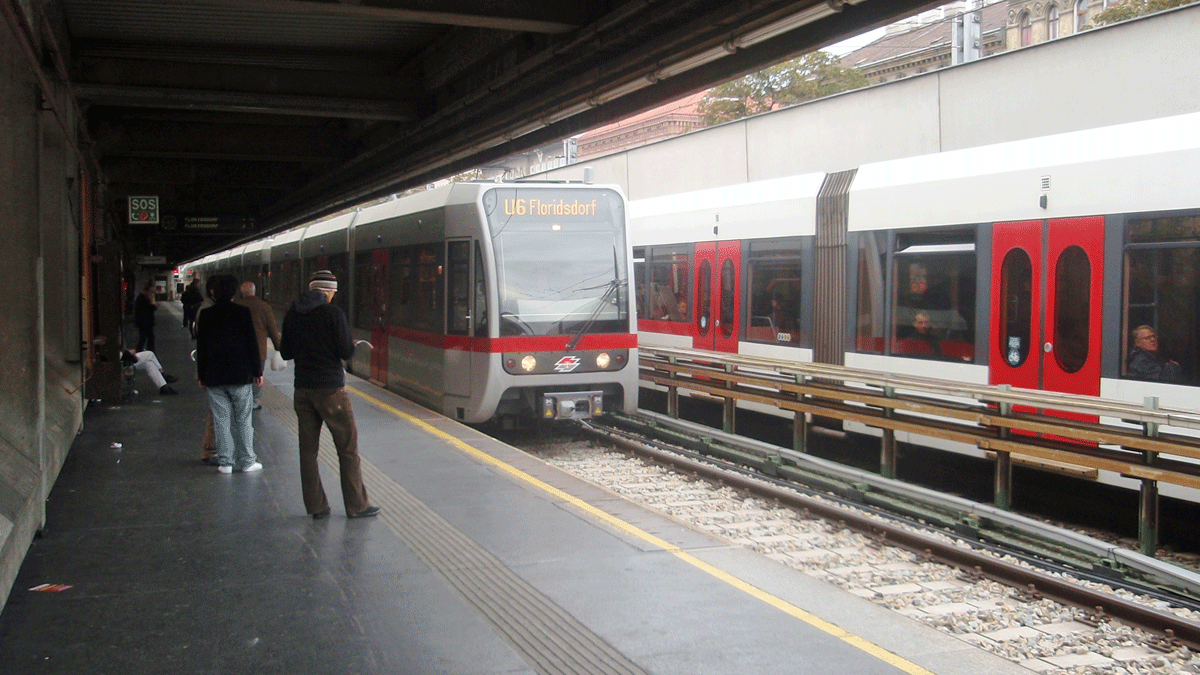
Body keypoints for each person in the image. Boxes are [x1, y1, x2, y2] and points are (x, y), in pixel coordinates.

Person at [279, 270, 379, 519]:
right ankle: (357, 505)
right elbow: (345, 352)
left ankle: (316, 507)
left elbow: (286, 352)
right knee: (347, 448)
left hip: (303, 389)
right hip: (331, 391)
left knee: (308, 452)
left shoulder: (293, 313)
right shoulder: (333, 314)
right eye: (333, 292)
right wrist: (351, 346)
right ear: (327, 292)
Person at [195, 275, 263, 474]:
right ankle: (247, 461)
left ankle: (225, 463)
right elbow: (252, 344)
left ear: (213, 293)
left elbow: (201, 348)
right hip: (240, 375)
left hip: (214, 376)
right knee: (243, 419)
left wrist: (202, 375)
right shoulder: (242, 312)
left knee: (221, 420)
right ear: (234, 292)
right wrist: (257, 372)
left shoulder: (206, 314)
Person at [235, 280, 281, 411]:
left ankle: (242, 399)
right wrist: (278, 347)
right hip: (259, 349)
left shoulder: (236, 306)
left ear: (242, 292)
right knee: (257, 375)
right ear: (254, 292)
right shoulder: (264, 306)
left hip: (239, 349)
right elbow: (272, 329)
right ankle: (254, 401)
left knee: (242, 376)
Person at [134, 280, 158, 352]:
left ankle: (146, 351)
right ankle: (145, 351)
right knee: (146, 338)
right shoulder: (143, 298)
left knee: (145, 338)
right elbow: (148, 308)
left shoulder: (141, 297)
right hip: (145, 321)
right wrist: (154, 305)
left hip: (144, 321)